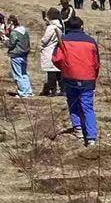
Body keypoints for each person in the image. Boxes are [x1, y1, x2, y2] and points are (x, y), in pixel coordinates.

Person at [52, 15, 101, 145]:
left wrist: (65, 69)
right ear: (82, 27)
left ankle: (78, 128)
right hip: (88, 79)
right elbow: (96, 63)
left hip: (70, 77)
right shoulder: (91, 41)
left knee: (73, 103)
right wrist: (94, 76)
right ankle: (91, 137)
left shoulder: (64, 41)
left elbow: (56, 59)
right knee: (88, 107)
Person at [6, 15, 33, 97]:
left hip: (16, 55)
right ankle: (28, 91)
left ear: (11, 23)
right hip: (24, 55)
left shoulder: (14, 32)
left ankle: (22, 92)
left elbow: (11, 44)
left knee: (18, 75)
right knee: (24, 74)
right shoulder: (24, 30)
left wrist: (5, 41)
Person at [39, 9, 64, 96]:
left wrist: (41, 42)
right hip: (55, 50)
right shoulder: (59, 26)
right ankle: (62, 89)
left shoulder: (51, 27)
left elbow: (45, 40)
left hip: (49, 50)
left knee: (51, 72)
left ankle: (52, 90)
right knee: (58, 71)